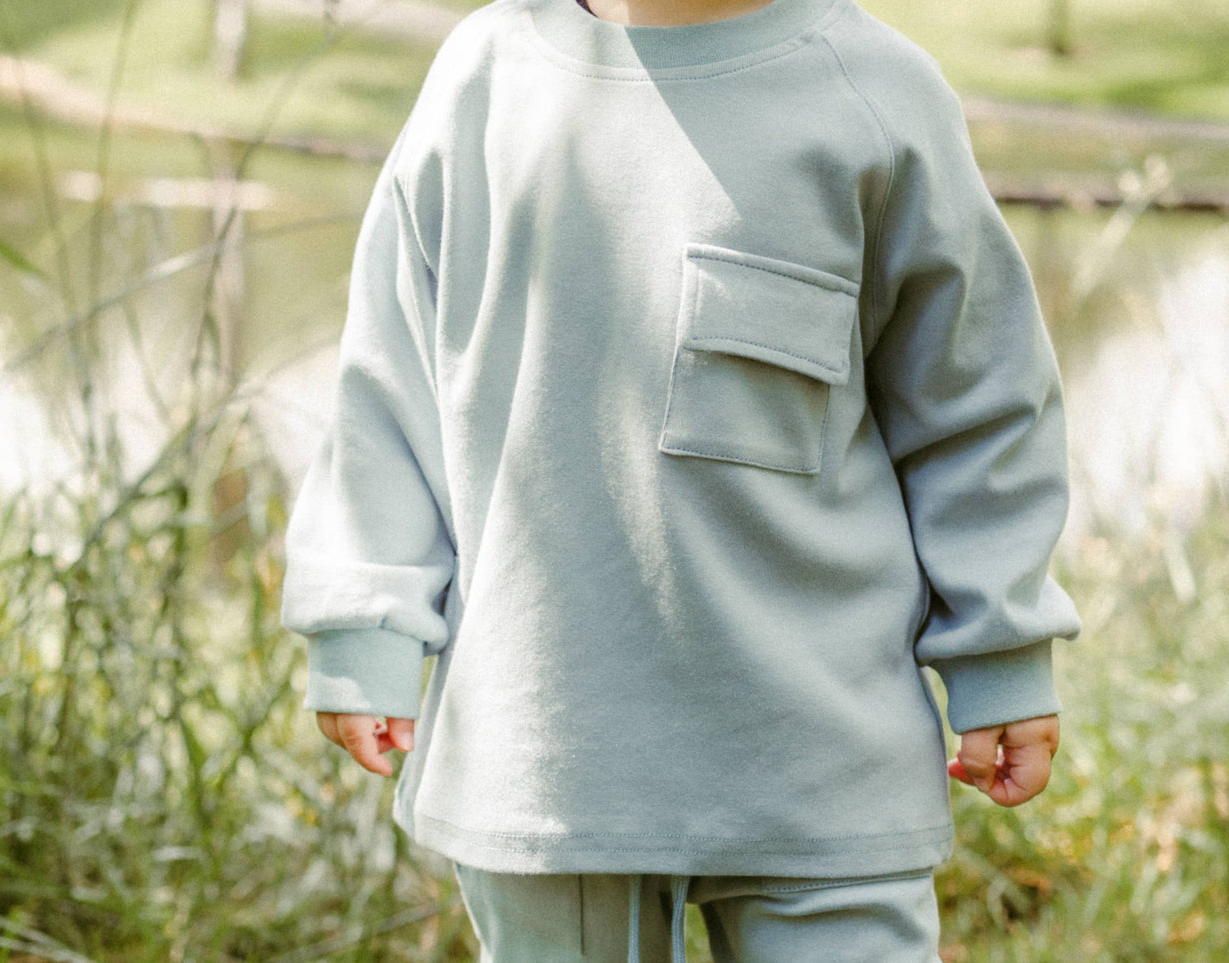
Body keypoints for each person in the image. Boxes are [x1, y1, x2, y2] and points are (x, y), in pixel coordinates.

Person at [278, 0, 1084, 958]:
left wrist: (1000, 646)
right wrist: (366, 618)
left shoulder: (874, 92)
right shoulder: (485, 78)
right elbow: (390, 377)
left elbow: (977, 398)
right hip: (548, 753)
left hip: (822, 751)